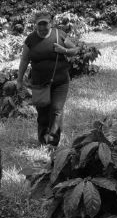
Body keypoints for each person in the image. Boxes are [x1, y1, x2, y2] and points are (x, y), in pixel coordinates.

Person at [17, 12, 79, 147]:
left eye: (45, 24)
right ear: (36, 25)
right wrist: (19, 80)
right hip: (39, 82)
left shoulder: (59, 35)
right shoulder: (30, 39)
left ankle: (52, 142)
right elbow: (24, 60)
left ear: (50, 24)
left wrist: (64, 50)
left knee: (57, 110)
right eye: (40, 24)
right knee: (43, 111)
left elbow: (75, 49)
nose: (43, 28)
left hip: (60, 81)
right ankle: (42, 139)